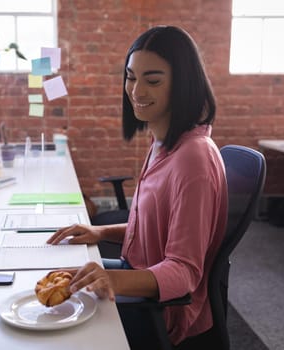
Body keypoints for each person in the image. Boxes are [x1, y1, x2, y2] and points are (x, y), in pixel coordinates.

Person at [47, 25, 228, 348]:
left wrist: (111, 278)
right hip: (140, 279)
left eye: (153, 80)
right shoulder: (163, 142)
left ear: (182, 84)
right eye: (131, 77)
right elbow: (154, 226)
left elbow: (184, 272)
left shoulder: (193, 159)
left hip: (163, 312)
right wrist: (101, 232)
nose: (137, 91)